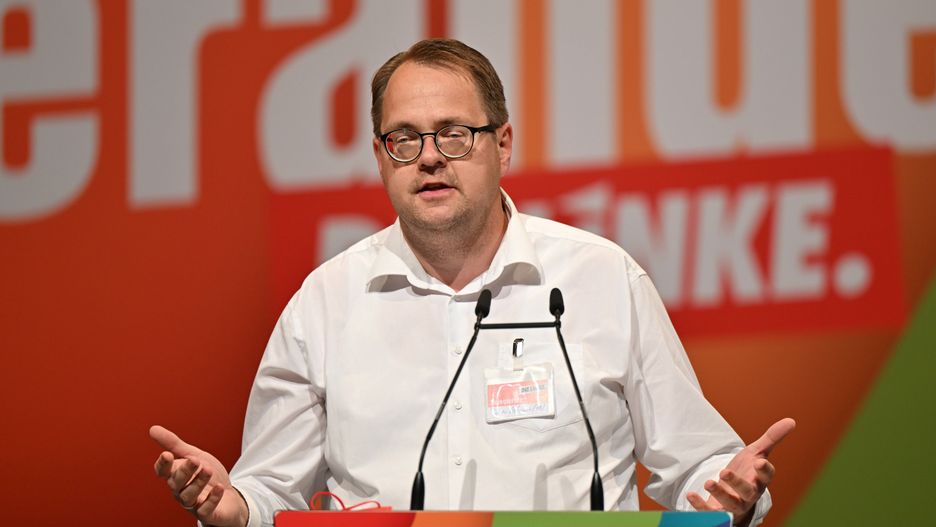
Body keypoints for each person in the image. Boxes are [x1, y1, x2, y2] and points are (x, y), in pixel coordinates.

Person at [150, 38, 794, 527]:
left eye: (454, 135)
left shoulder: (602, 279)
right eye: (404, 139)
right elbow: (271, 490)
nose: (430, 156)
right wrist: (234, 505)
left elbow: (697, 462)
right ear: (380, 157)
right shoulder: (325, 304)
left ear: (502, 144)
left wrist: (728, 493)